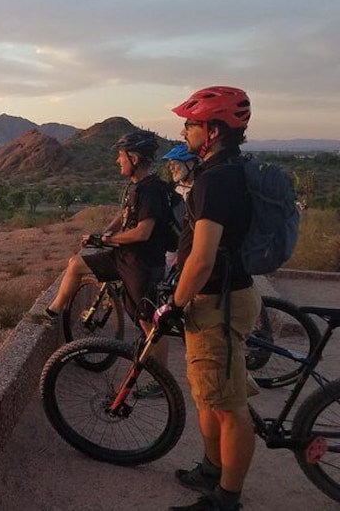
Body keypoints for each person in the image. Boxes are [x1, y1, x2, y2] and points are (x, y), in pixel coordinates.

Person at [153, 86, 262, 511]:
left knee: (229, 406)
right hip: (225, 297)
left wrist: (174, 305)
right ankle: (211, 469)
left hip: (217, 301)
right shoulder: (228, 170)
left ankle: (226, 499)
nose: (184, 130)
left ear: (212, 130)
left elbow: (201, 259)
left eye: (191, 124)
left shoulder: (214, 181)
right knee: (211, 396)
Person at [45, 130, 171, 388]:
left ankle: (161, 382)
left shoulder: (151, 190)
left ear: (134, 158)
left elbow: (143, 232)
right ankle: (52, 312)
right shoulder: (135, 187)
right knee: (76, 264)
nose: (117, 161)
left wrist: (107, 241)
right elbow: (123, 216)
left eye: (121, 156)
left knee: (150, 325)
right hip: (124, 258)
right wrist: (106, 233)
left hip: (142, 265)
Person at [162, 143, 200, 272]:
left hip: (193, 247)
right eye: (170, 164)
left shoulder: (201, 189)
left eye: (175, 164)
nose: (171, 168)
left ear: (189, 164)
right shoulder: (172, 189)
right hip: (172, 245)